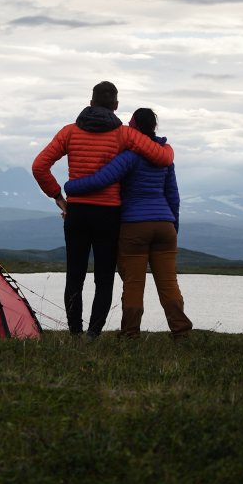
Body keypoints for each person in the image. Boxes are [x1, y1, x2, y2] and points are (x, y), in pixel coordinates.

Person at [32, 82, 175, 340]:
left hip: (76, 212)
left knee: (75, 274)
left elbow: (39, 166)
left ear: (90, 103)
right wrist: (167, 148)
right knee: (104, 277)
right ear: (116, 106)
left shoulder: (69, 132)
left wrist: (58, 197)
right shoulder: (124, 135)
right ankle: (93, 334)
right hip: (109, 214)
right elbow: (163, 158)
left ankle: (74, 332)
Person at [63, 107, 193, 341]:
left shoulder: (129, 157)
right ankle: (181, 332)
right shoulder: (165, 158)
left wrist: (70, 188)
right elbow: (173, 196)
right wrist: (174, 226)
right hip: (165, 225)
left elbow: (101, 179)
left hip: (135, 225)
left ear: (133, 127)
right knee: (168, 282)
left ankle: (130, 333)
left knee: (133, 283)